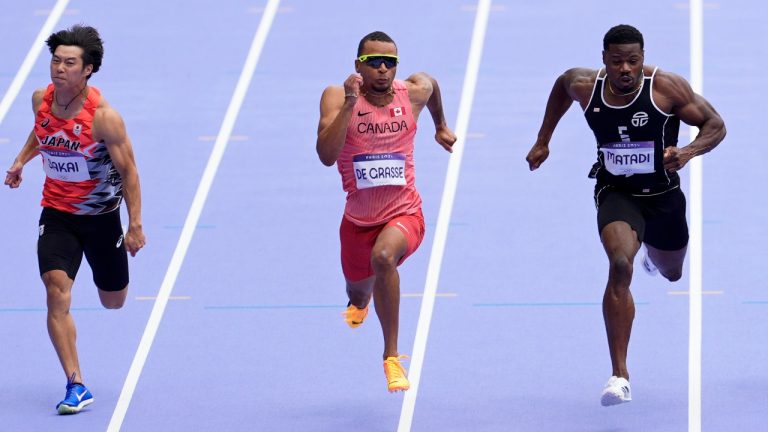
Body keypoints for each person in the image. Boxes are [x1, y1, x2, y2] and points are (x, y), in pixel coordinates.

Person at [525, 24, 725, 406]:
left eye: (633, 61)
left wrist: (687, 152)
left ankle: (652, 250)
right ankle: (620, 375)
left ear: (643, 59)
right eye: (616, 61)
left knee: (672, 272)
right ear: (604, 60)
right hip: (617, 191)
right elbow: (562, 85)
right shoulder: (586, 85)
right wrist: (542, 140)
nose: (625, 69)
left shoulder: (667, 88)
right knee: (619, 264)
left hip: (663, 196)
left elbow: (715, 125)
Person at [4, 25, 145, 414]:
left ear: (89, 70)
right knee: (54, 289)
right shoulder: (41, 100)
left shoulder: (104, 118)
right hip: (57, 212)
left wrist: (134, 225)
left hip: (100, 218)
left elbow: (130, 171)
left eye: (69, 63)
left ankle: (105, 275)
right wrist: (21, 160)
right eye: (55, 60)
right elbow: (42, 133)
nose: (59, 69)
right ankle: (76, 383)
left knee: (113, 301)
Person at [316, 31, 456, 392]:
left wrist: (440, 126)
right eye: (373, 62)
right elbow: (327, 156)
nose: (382, 68)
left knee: (384, 258)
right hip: (357, 222)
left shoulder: (412, 94)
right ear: (357, 65)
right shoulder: (336, 95)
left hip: (405, 213)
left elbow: (432, 83)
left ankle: (392, 358)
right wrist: (349, 104)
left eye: (389, 62)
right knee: (359, 292)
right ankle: (358, 302)